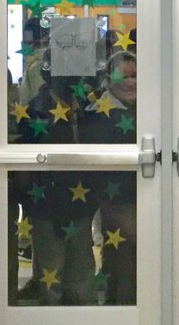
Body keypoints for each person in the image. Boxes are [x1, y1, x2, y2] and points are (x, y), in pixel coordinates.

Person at [13, 49, 100, 305]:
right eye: (63, 72)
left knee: (82, 272)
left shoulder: (86, 109)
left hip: (80, 202)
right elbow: (23, 163)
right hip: (46, 203)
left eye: (75, 72)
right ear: (48, 75)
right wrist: (29, 201)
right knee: (52, 273)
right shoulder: (34, 113)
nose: (70, 79)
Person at [86, 51, 138, 304]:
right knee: (121, 265)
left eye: (135, 76)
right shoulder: (98, 114)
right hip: (115, 204)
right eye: (123, 76)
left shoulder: (146, 111)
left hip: (141, 200)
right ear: (108, 79)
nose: (130, 82)